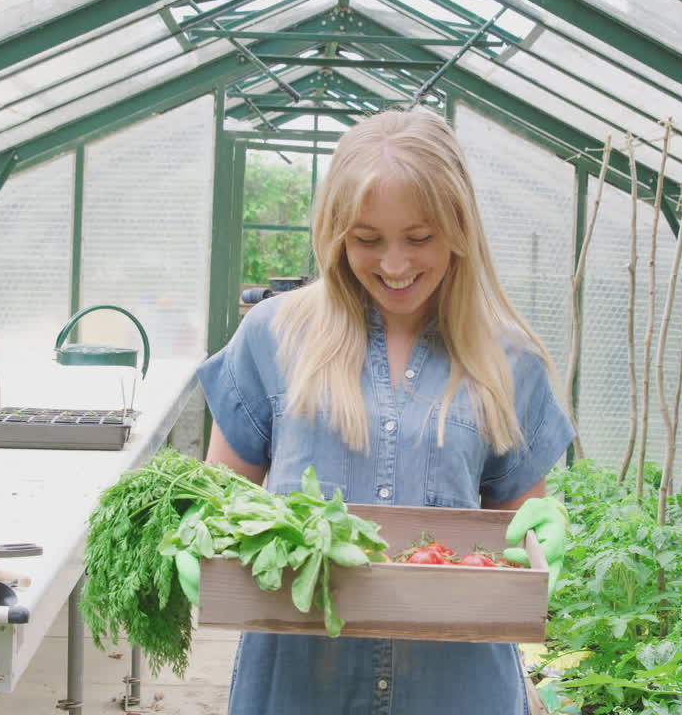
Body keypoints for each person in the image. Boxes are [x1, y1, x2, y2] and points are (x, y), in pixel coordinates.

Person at [196, 107, 573, 715]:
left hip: (455, 687)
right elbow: (221, 496)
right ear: (334, 233)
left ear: (459, 227)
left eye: (419, 238)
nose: (394, 266)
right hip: (299, 686)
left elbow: (516, 524)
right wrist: (197, 535)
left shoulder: (509, 358)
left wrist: (543, 527)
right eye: (367, 240)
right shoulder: (275, 336)